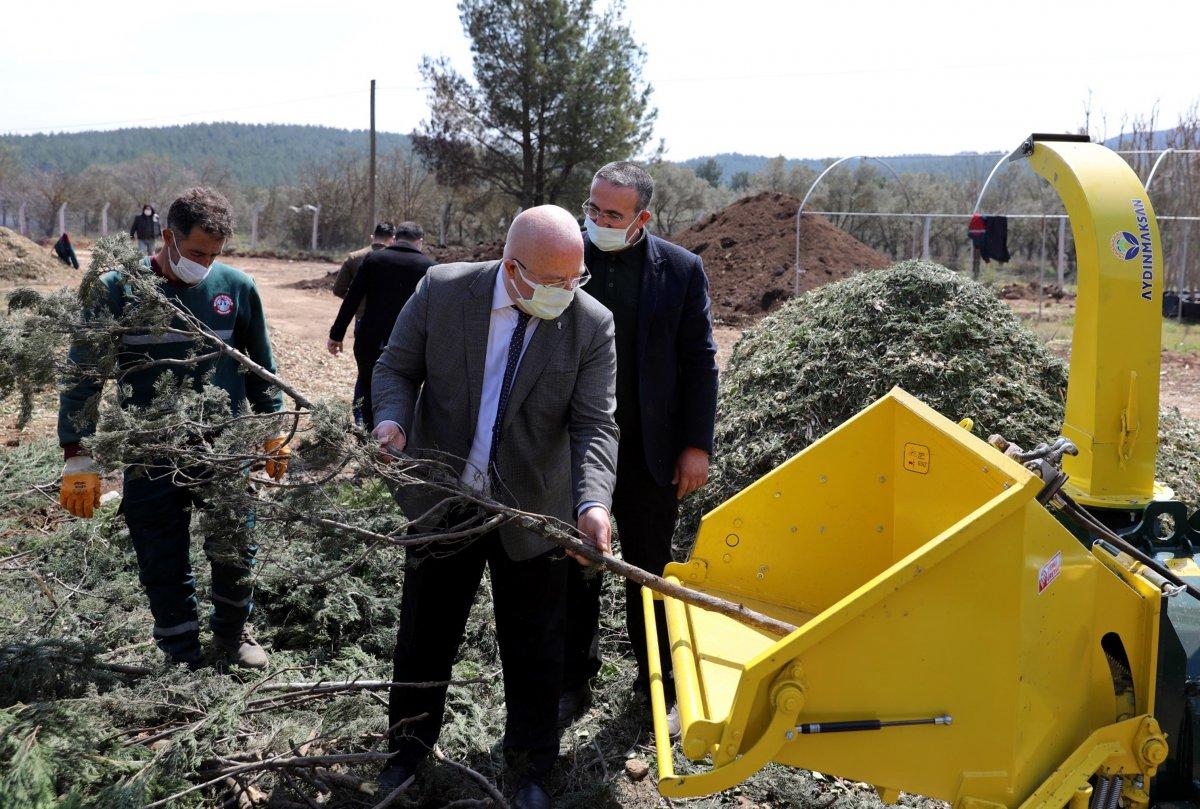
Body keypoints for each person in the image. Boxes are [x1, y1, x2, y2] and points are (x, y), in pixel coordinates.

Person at [371, 205, 618, 809]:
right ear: (512, 268)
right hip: (446, 497)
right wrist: (391, 422)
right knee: (425, 636)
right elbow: (395, 368)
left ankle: (531, 768)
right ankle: (406, 756)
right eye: (554, 280)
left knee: (536, 647)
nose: (567, 291)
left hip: (534, 508)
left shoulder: (591, 323)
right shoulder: (443, 291)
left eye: (576, 278)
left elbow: (595, 424)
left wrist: (592, 502)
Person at [58, 187, 289, 670]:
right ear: (168, 237)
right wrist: (77, 453)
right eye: (197, 253)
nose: (205, 264)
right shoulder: (118, 290)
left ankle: (232, 636)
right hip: (150, 448)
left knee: (234, 542)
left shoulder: (236, 288)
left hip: (223, 444)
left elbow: (260, 368)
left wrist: (273, 428)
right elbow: (84, 376)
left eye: (215, 255)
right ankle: (181, 652)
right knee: (161, 551)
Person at [559, 161, 719, 734]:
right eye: (593, 208)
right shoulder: (566, 257)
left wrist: (696, 445)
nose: (598, 221)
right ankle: (572, 680)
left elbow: (700, 361)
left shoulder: (679, 270)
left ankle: (660, 682)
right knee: (576, 564)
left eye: (613, 213)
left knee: (649, 570)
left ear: (642, 218)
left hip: (651, 451)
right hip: (576, 446)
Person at [327, 222, 433, 430]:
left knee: (366, 381)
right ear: (420, 241)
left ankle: (365, 431)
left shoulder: (373, 259)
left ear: (396, 238)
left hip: (370, 338)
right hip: (409, 342)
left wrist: (336, 334)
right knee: (407, 386)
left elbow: (352, 298)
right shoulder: (429, 268)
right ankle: (399, 434)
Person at [331, 222, 397, 424]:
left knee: (364, 373)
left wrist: (358, 300)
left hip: (363, 322)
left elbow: (339, 289)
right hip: (392, 325)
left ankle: (360, 419)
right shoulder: (396, 259)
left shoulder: (355, 257)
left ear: (372, 237)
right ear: (393, 239)